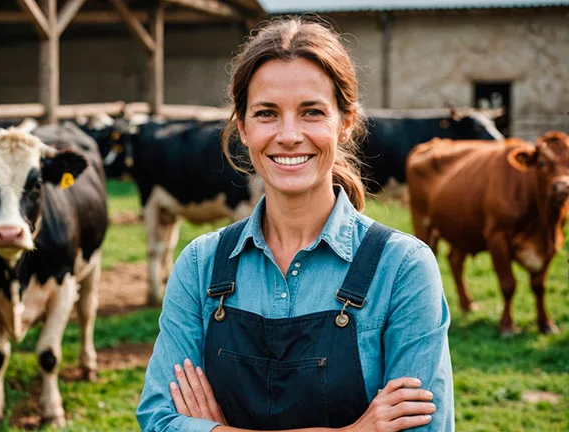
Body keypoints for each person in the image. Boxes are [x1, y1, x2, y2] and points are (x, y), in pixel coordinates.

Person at [136, 17, 454, 432]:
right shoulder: (200, 265)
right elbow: (159, 420)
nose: (288, 135)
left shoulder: (403, 268)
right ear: (242, 127)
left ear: (346, 123)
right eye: (267, 113)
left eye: (312, 112)